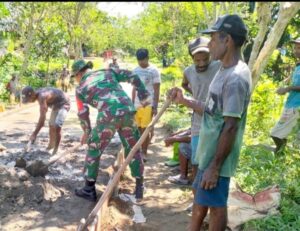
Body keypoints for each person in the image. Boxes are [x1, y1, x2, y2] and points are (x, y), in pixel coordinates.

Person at [170, 14, 251, 231]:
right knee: (201, 202)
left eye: (214, 39)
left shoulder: (235, 78)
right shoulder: (223, 70)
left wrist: (214, 168)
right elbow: (212, 108)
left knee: (216, 207)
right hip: (208, 153)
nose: (210, 44)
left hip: (218, 159)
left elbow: (231, 126)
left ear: (228, 40)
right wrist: (183, 100)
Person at [72, 59, 150, 202]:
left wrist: (87, 132)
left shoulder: (80, 89)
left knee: (94, 149)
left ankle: (89, 189)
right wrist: (143, 95)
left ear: (78, 74)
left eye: (75, 77)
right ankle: (139, 187)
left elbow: (82, 112)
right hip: (127, 110)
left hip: (108, 115)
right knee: (133, 148)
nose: (76, 80)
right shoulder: (108, 72)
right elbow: (132, 75)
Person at [181, 36, 221, 183]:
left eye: (205, 59)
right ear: (192, 58)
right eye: (197, 60)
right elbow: (184, 84)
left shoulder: (219, 66)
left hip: (215, 121)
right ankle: (196, 199)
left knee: (210, 162)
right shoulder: (188, 71)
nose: (202, 63)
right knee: (196, 162)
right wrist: (195, 96)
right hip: (198, 122)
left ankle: (204, 200)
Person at [270, 38, 300, 154]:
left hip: (296, 106)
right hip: (291, 104)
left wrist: (288, 88)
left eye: (299, 48)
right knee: (282, 135)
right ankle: (281, 157)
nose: (296, 50)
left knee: (276, 134)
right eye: (295, 47)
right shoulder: (297, 66)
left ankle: (280, 155)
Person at [21, 86, 71, 155]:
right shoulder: (38, 94)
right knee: (51, 125)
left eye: (28, 100)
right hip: (56, 104)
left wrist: (34, 134)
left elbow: (42, 119)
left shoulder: (42, 96)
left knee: (57, 125)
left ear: (32, 95)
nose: (28, 102)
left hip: (64, 103)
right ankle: (51, 146)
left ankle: (56, 150)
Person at [132, 48, 161, 161]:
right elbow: (134, 88)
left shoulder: (153, 71)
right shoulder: (135, 71)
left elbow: (157, 89)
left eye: (143, 60)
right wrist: (132, 102)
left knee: (145, 130)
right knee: (139, 129)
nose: (141, 63)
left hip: (148, 104)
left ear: (147, 58)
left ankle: (144, 152)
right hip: (137, 104)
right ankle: (140, 149)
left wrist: (155, 106)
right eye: (139, 60)